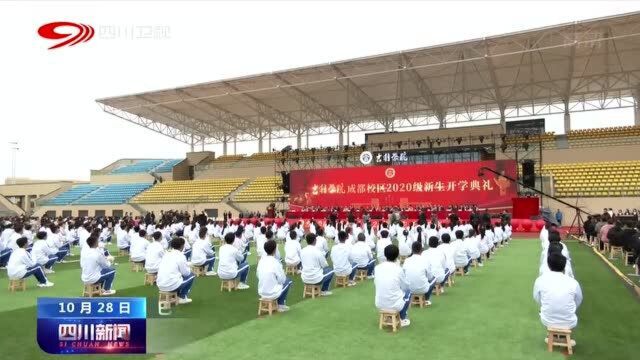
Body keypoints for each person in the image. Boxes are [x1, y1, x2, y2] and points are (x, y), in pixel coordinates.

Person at [533, 252, 582, 345]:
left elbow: (536, 298)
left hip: (547, 319)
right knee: (569, 308)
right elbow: (579, 299)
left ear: (548, 265)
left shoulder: (540, 280)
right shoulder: (573, 282)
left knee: (545, 308)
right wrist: (571, 308)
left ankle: (552, 335)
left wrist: (545, 304)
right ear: (564, 266)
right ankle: (562, 335)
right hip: (569, 320)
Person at [374, 244, 411, 327]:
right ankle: (402, 318)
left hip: (379, 303)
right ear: (397, 255)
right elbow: (405, 286)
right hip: (395, 304)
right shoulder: (398, 269)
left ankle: (391, 316)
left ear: (385, 254)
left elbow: (376, 283)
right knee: (408, 291)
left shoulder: (377, 268)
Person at [156, 237, 195, 304]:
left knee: (177, 276)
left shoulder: (166, 254)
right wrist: (188, 267)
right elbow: (186, 273)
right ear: (182, 246)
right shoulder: (181, 256)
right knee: (191, 275)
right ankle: (182, 297)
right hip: (171, 285)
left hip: (160, 284)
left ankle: (176, 296)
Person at [257, 239, 293, 312]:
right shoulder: (276, 262)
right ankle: (281, 305)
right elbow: (282, 280)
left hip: (261, 291)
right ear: (274, 250)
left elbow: (257, 275)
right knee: (288, 281)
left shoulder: (261, 261)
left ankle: (280, 304)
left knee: (279, 281)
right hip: (272, 292)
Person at [402, 241, 437, 306]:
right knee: (434, 278)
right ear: (422, 249)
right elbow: (430, 277)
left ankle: (417, 297)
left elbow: (403, 275)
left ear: (412, 249)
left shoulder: (407, 260)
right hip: (422, 289)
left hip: (408, 289)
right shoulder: (425, 260)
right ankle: (426, 299)